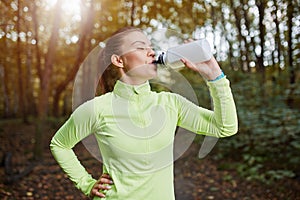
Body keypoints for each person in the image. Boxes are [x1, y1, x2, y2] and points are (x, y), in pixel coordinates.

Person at [50, 26, 238, 199]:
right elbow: (59, 144)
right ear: (118, 60)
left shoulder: (170, 103)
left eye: (150, 46)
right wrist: (86, 184)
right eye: (140, 47)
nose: (151, 52)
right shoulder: (97, 108)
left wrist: (214, 75)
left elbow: (224, 128)